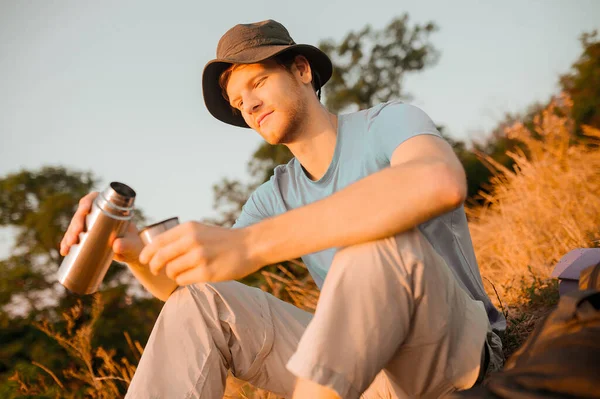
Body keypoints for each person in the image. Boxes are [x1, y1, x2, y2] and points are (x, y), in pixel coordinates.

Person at [60, 19, 506, 399]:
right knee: (200, 302)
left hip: (453, 352)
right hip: (367, 377)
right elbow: (186, 284)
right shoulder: (274, 193)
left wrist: (251, 244)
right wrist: (130, 246)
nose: (249, 106)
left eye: (257, 83)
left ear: (302, 70)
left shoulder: (388, 122)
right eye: (238, 102)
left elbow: (437, 182)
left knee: (374, 245)